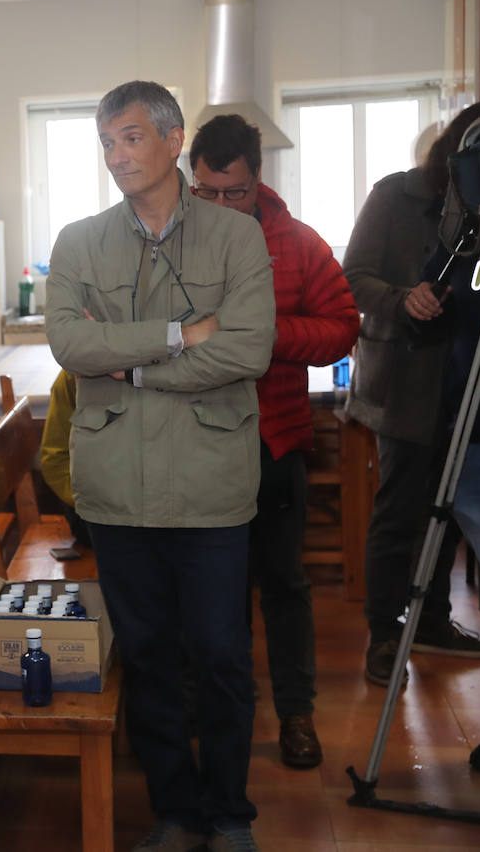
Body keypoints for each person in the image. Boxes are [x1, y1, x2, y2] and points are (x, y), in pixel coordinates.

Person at [45, 81, 274, 852]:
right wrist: (178, 338)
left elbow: (248, 349)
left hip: (212, 484)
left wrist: (132, 363)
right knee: (145, 656)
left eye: (131, 137)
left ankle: (230, 813)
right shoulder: (79, 242)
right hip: (116, 489)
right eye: (107, 142)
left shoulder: (236, 238)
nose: (117, 156)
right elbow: (74, 351)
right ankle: (175, 811)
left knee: (220, 656)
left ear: (174, 141)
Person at [189, 113, 360, 770]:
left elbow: (343, 329)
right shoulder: (171, 239)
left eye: (234, 192)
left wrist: (269, 336)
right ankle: (221, 713)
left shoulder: (296, 241)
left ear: (257, 180)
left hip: (274, 443)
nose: (222, 205)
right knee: (211, 594)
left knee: (284, 587)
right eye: (208, 192)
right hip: (197, 447)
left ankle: (296, 715)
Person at [342, 101, 480, 687]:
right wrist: (404, 298)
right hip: (406, 379)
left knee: (452, 509)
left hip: (468, 381)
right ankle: (384, 633)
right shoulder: (393, 196)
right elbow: (355, 276)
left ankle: (432, 620)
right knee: (399, 510)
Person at [38, 368, 92, 549]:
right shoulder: (75, 374)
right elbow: (54, 457)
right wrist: (87, 502)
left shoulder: (177, 371)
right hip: (90, 506)